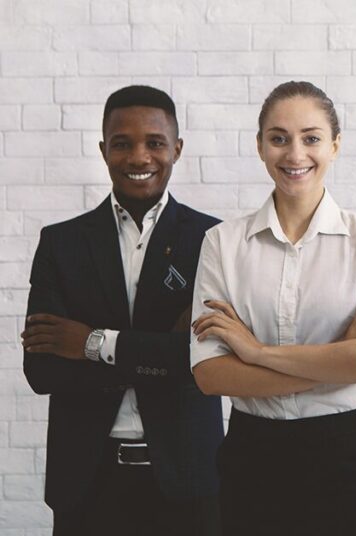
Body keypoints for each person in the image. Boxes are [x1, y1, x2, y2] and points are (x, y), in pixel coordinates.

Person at [189, 81, 356, 536]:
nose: (295, 153)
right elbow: (211, 375)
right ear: (261, 147)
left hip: (352, 455)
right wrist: (336, 357)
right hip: (253, 455)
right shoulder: (222, 244)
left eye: (311, 137)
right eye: (279, 138)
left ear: (336, 146)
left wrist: (256, 352)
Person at [21, 85, 222, 536]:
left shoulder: (212, 241)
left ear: (177, 149)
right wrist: (159, 353)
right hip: (88, 482)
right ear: (103, 150)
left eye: (154, 143)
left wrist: (89, 343)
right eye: (121, 143)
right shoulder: (61, 243)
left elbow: (202, 364)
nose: (139, 157)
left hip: (187, 479)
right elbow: (42, 371)